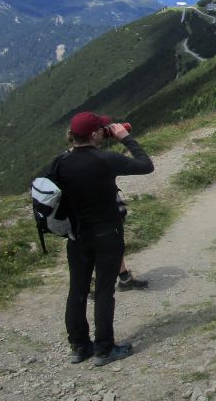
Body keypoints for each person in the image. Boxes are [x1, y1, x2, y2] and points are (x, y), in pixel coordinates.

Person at [58, 112, 154, 366]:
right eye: (101, 128)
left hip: (76, 237)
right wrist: (125, 138)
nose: (104, 130)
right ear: (94, 134)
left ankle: (79, 347)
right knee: (103, 291)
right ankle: (104, 349)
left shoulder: (61, 163)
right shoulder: (106, 160)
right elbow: (146, 164)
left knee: (77, 290)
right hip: (107, 235)